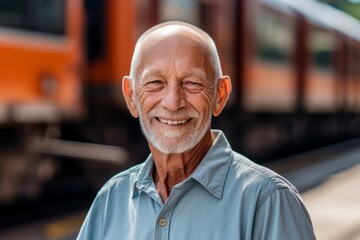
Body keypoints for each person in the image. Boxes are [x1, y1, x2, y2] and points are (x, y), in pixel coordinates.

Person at [77, 21, 316, 240]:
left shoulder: (268, 201)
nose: (172, 102)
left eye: (192, 83)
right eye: (154, 83)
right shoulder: (110, 199)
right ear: (130, 96)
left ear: (220, 95)